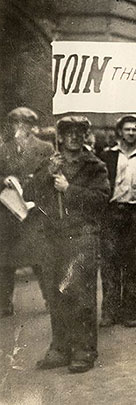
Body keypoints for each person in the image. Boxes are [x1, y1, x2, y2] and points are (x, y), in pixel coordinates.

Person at [33, 116, 109, 373]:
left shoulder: (95, 165)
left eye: (80, 132)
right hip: (54, 237)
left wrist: (69, 188)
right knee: (56, 293)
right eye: (69, 133)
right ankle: (60, 348)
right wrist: (47, 174)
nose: (74, 137)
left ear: (85, 136)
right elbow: (31, 194)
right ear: (61, 137)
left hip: (82, 236)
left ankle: (84, 350)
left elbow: (100, 200)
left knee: (81, 294)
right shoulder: (50, 163)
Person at [98, 114, 136, 328]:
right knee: (110, 264)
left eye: (135, 129)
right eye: (127, 129)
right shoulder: (107, 156)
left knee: (133, 263)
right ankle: (109, 311)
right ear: (120, 132)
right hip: (112, 213)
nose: (131, 133)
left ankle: (130, 311)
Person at [0, 107, 54, 317]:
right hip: (9, 211)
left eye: (25, 124)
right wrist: (4, 180)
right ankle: (4, 302)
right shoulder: (4, 150)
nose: (21, 128)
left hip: (35, 211)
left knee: (41, 258)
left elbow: (52, 174)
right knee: (5, 260)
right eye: (16, 123)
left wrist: (37, 180)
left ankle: (50, 299)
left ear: (32, 126)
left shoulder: (45, 148)